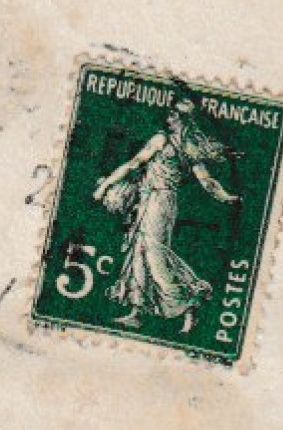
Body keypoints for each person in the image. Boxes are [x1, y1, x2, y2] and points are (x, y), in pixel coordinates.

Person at [92, 97, 240, 335]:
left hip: (159, 201)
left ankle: (189, 303)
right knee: (139, 250)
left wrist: (103, 186)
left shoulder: (169, 142)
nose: (168, 118)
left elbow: (134, 164)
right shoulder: (182, 145)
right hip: (154, 200)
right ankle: (137, 311)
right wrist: (225, 197)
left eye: (172, 115)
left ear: (182, 119)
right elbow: (206, 182)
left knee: (155, 254)